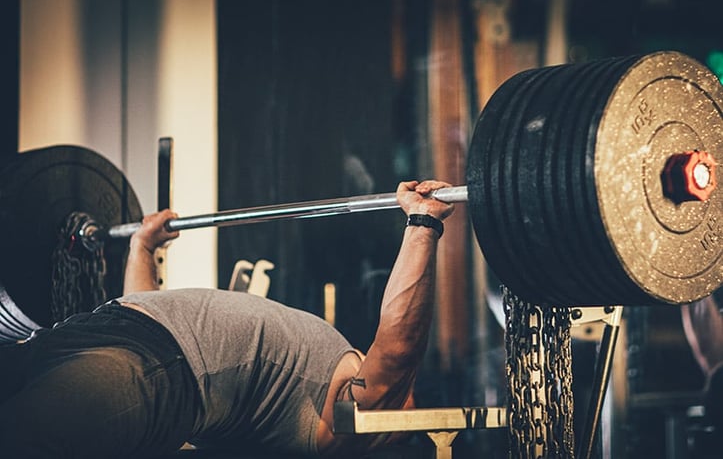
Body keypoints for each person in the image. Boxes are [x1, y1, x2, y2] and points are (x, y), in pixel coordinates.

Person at [0, 180, 455, 459]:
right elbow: (148, 307)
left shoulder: (349, 426)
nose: (401, 396)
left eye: (405, 397)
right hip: (98, 332)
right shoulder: (332, 370)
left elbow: (398, 348)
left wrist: (423, 224)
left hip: (164, 372)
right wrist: (143, 247)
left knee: (20, 438)